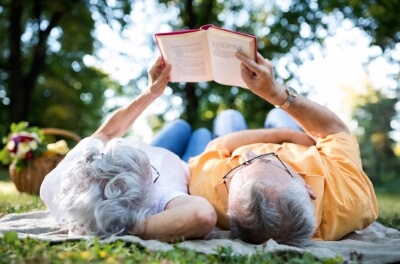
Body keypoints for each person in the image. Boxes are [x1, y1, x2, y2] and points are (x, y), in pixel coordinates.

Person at [188, 51, 378, 247]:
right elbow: (334, 131)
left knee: (229, 116)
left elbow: (217, 146)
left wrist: (281, 136)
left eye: (239, 169)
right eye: (267, 160)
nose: (248, 153)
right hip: (302, 143)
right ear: (307, 188)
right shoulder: (351, 195)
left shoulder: (210, 192)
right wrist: (276, 95)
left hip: (234, 143)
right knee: (279, 114)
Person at [40, 56, 217, 242]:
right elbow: (203, 215)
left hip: (158, 149)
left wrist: (151, 92)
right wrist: (130, 228)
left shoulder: (56, 181)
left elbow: (109, 132)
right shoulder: (156, 201)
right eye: (149, 172)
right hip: (186, 166)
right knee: (203, 133)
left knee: (180, 126)